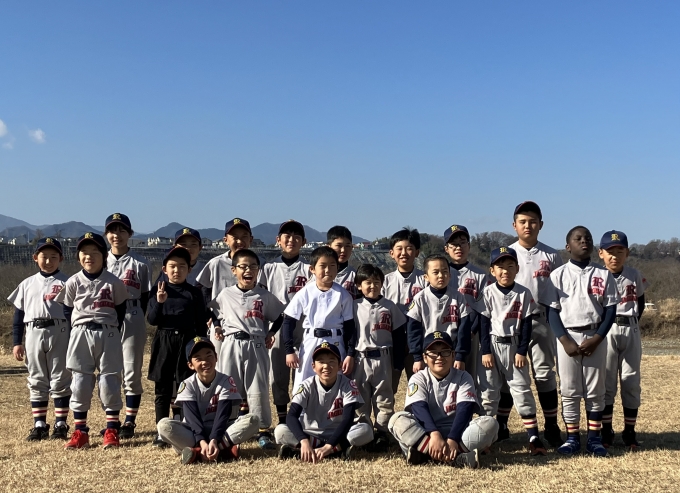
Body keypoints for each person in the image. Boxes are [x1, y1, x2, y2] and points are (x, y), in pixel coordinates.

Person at [547, 226, 620, 457]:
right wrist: (564, 340)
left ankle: (594, 438)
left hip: (594, 336)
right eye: (578, 239)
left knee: (595, 390)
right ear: (568, 246)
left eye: (587, 238)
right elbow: (552, 312)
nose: (583, 241)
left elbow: (610, 310)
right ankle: (572, 438)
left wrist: (598, 338)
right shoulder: (557, 275)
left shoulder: (604, 274)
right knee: (569, 390)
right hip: (567, 336)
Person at [55, 232, 130, 449]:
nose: (89, 257)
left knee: (109, 381)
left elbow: (120, 311)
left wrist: (109, 329)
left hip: (108, 332)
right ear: (78, 257)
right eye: (84, 252)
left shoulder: (114, 282)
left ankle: (111, 429)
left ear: (104, 256)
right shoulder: (73, 281)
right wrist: (79, 328)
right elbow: (67, 310)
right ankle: (80, 431)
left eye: (94, 252)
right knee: (79, 382)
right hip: (81, 332)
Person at [209, 249, 285, 450]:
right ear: (234, 270)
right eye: (243, 266)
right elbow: (213, 311)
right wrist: (217, 326)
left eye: (253, 266)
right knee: (228, 387)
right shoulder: (226, 294)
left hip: (256, 343)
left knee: (258, 388)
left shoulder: (264, 295)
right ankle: (227, 428)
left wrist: (271, 332)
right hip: (231, 343)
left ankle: (263, 430)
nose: (248, 270)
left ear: (258, 270)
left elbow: (279, 316)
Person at [388, 331, 498, 468]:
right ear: (425, 358)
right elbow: (419, 408)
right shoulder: (418, 378)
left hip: (458, 434)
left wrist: (453, 439)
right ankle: (456, 457)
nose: (439, 357)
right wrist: (434, 434)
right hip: (426, 434)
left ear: (453, 355)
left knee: (490, 423)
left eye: (445, 352)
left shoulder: (463, 377)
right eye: (433, 353)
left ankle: (426, 455)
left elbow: (465, 410)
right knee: (396, 420)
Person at [478, 247, 547, 455]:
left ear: (517, 269)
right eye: (500, 267)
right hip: (493, 345)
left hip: (515, 345)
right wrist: (485, 351)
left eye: (510, 266)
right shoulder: (488, 292)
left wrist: (522, 351)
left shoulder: (523, 292)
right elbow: (483, 325)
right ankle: (485, 438)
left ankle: (533, 437)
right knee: (489, 392)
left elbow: (526, 325)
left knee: (522, 389)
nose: (505, 271)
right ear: (492, 270)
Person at [507, 201, 564, 446]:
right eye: (522, 221)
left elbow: (561, 290)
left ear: (541, 225)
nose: (527, 226)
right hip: (513, 322)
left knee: (544, 373)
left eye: (532, 221)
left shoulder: (551, 255)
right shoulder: (507, 253)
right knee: (511, 373)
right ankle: (502, 426)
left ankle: (551, 425)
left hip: (542, 318)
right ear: (514, 225)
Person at [157, 337, 260, 464]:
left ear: (216, 358)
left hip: (221, 430)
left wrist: (214, 440)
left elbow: (223, 415)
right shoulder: (187, 384)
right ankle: (223, 451)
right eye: (198, 358)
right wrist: (202, 441)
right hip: (193, 432)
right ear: (190, 365)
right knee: (163, 425)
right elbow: (192, 418)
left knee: (253, 420)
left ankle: (200, 452)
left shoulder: (226, 381)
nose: (205, 362)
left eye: (209, 356)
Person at [9, 237, 71, 441]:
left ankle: (61, 424)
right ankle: (39, 424)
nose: (49, 261)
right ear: (35, 257)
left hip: (60, 329)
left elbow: (74, 313)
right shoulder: (27, 283)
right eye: (44, 256)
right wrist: (17, 342)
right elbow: (18, 316)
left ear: (61, 258)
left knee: (60, 377)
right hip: (33, 330)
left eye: (54, 256)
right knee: (36, 378)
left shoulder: (67, 282)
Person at [147, 246, 207, 447]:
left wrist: (199, 348)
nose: (177, 270)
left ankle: (183, 428)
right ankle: (161, 431)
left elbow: (200, 324)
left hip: (187, 341)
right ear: (164, 269)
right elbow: (152, 320)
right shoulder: (158, 290)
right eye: (172, 266)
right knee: (162, 388)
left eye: (182, 266)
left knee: (185, 386)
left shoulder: (194, 293)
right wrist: (159, 302)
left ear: (189, 270)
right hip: (164, 339)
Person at [274, 342, 374, 461]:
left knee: (366, 430)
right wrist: (304, 441)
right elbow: (291, 416)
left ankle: (310, 452)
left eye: (331, 361)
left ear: (340, 365)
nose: (326, 366)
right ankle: (337, 452)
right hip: (311, 434)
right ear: (313, 366)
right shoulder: (307, 385)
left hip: (340, 433)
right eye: (321, 362)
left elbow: (348, 419)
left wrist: (329, 445)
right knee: (280, 431)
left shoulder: (348, 385)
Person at [598, 230, 647, 450]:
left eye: (620, 251)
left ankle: (629, 431)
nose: (614, 256)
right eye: (610, 251)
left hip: (630, 327)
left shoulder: (634, 274)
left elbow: (641, 303)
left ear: (627, 253)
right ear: (601, 253)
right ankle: (606, 430)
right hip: (607, 329)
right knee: (607, 382)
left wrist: (633, 324)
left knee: (631, 381)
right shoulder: (597, 275)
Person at [104, 213, 152, 438]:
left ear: (130, 234)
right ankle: (111, 421)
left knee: (131, 371)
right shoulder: (100, 260)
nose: (117, 235)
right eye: (112, 230)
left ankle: (130, 421)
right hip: (106, 316)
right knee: (109, 370)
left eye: (122, 230)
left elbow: (146, 297)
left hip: (132, 313)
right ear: (106, 234)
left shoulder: (140, 263)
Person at [282, 246, 355, 391]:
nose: (328, 270)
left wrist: (350, 354)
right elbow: (288, 321)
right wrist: (289, 350)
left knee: (336, 385)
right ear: (312, 269)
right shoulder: (305, 292)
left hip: (335, 341)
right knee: (304, 385)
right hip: (311, 342)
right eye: (323, 266)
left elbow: (350, 326)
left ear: (337, 268)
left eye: (332, 265)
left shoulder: (343, 294)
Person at [351, 264, 406, 451]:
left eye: (376, 282)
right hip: (360, 358)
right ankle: (364, 433)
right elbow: (349, 335)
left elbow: (398, 336)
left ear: (382, 284)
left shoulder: (389, 306)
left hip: (383, 357)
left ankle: (382, 433)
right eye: (367, 282)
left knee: (384, 398)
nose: (372, 286)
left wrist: (398, 362)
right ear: (359, 285)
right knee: (360, 398)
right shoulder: (354, 306)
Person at [260, 220, 311, 426]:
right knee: (278, 376)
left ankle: (301, 419)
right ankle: (282, 421)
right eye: (287, 236)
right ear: (278, 240)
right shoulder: (269, 268)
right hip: (277, 327)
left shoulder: (309, 268)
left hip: (303, 326)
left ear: (304, 242)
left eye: (296, 237)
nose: (291, 240)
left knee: (304, 374)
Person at [196, 218, 263, 356]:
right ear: (226, 240)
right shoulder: (216, 263)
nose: (240, 241)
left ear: (251, 239)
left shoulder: (260, 264)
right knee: (220, 364)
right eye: (235, 237)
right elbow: (202, 289)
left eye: (244, 236)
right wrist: (209, 313)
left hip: (252, 322)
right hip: (222, 324)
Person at [406, 254, 471, 374]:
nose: (441, 276)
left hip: (451, 352)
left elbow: (464, 329)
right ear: (426, 277)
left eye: (445, 271)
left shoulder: (458, 297)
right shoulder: (420, 298)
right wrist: (417, 357)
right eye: (435, 272)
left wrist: (460, 356)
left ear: (450, 275)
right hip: (429, 353)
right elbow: (413, 331)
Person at [381, 227, 427, 393]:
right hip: (392, 343)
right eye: (399, 249)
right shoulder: (385, 281)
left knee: (421, 387)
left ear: (417, 252)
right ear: (391, 253)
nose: (404, 253)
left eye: (409, 248)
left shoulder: (425, 280)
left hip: (419, 343)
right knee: (388, 389)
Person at [443, 224, 488, 384]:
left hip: (470, 332)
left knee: (468, 377)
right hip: (445, 329)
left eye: (462, 242)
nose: (458, 247)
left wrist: (472, 330)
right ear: (446, 248)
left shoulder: (480, 274)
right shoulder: (441, 273)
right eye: (454, 244)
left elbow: (482, 307)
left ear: (469, 245)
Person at [327, 225, 358, 298]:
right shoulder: (318, 274)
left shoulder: (356, 276)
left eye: (347, 246)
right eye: (339, 245)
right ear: (329, 247)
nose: (343, 250)